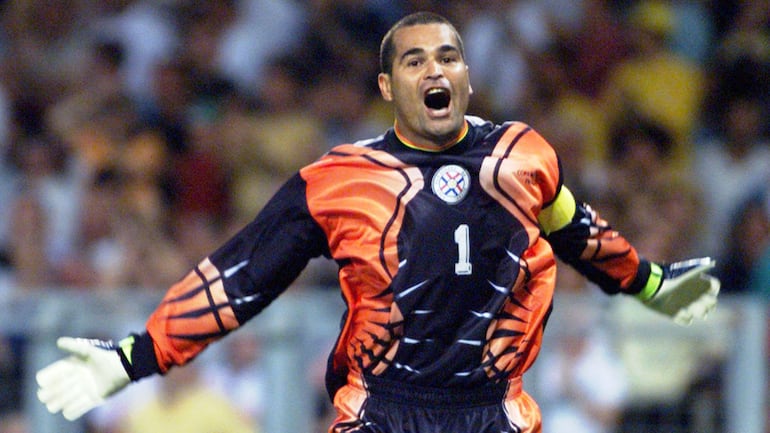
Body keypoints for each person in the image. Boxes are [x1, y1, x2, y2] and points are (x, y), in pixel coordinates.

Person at [35, 12, 720, 433]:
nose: (435, 68)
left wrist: (652, 283)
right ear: (389, 87)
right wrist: (135, 355)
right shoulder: (335, 179)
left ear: (468, 78)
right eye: (414, 58)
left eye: (448, 55)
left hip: (494, 410)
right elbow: (239, 275)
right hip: (381, 409)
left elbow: (577, 232)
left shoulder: (524, 155)